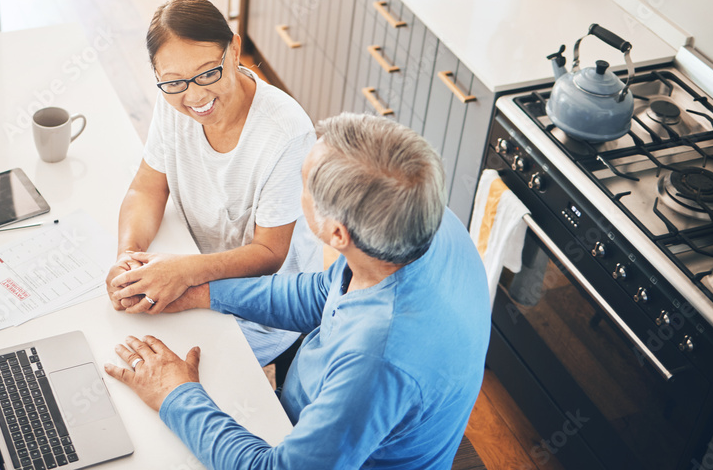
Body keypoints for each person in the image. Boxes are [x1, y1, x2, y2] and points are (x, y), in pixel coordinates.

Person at [104, 113, 492, 469]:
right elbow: (324, 293)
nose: (295, 188)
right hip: (316, 421)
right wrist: (204, 291)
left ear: (337, 233)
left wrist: (175, 393)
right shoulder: (418, 217)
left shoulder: (377, 360)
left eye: (301, 184)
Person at [106, 0, 319, 366]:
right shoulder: (173, 98)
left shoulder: (286, 133)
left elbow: (269, 254)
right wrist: (130, 258)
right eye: (173, 81)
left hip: (264, 304)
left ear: (234, 50)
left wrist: (182, 271)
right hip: (193, 269)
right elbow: (147, 187)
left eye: (208, 73)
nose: (196, 95)